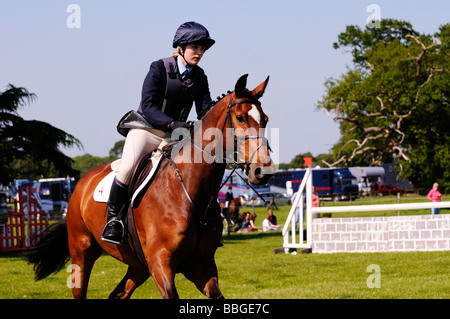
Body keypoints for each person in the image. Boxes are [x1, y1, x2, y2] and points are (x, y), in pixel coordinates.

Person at [101, 21, 216, 244]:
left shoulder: (200, 77)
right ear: (181, 48)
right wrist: (172, 124)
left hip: (176, 137)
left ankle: (204, 222)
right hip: (147, 130)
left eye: (203, 49)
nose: (200, 53)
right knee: (126, 168)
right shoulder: (159, 68)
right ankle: (114, 221)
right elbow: (149, 105)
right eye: (196, 47)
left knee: (198, 169)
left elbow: (204, 109)